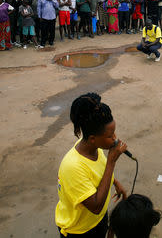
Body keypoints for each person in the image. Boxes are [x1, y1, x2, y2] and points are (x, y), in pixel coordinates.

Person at [55, 93, 128, 238]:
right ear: (93, 138)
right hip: (80, 230)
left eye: (114, 133)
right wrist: (111, 162)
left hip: (97, 220)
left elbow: (98, 170)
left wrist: (116, 182)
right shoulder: (73, 167)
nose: (115, 139)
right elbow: (96, 206)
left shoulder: (94, 148)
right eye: (110, 135)